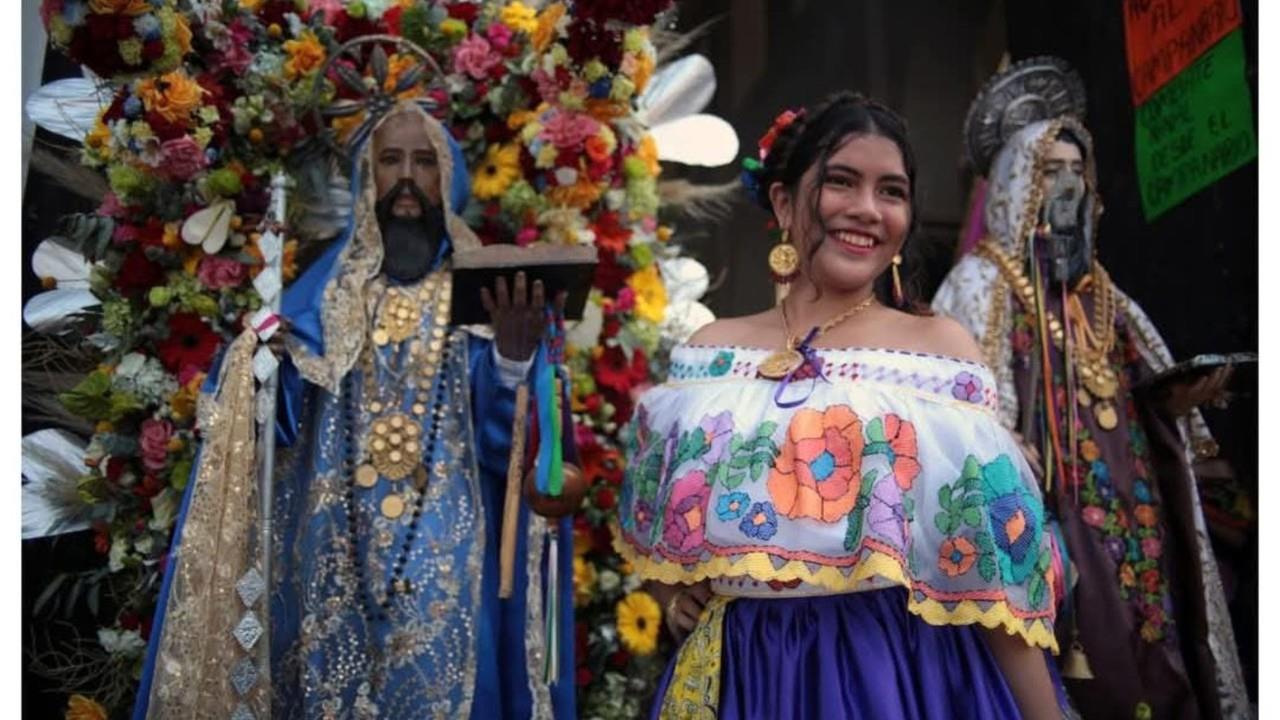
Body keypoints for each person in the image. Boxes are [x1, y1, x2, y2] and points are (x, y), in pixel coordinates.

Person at [615, 92, 1071, 719]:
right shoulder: (707, 356)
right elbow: (666, 541)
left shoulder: (937, 355)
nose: (866, 209)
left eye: (891, 191)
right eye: (840, 182)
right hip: (745, 674)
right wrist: (672, 599)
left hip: (893, 672)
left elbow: (992, 580)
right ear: (782, 201)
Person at [132, 95, 576, 719]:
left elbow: (520, 455)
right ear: (367, 178)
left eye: (423, 163)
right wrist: (259, 366)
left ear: (447, 181)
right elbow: (269, 430)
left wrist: (510, 359)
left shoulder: (487, 300)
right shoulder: (321, 300)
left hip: (447, 558)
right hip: (333, 551)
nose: (405, 179)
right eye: (389, 160)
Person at [931, 58, 1248, 719]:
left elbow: (1146, 395)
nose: (1071, 185)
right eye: (1052, 171)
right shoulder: (978, 288)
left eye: (1080, 170)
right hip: (1050, 522)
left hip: (1136, 525)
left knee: (1154, 661)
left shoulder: (1108, 299)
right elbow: (957, 426)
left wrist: (1175, 405)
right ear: (1020, 184)